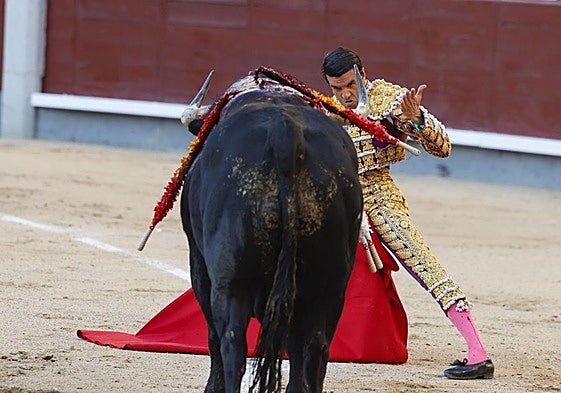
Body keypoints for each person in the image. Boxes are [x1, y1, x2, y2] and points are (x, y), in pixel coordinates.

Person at [321, 47, 494, 380]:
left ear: (362, 74)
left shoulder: (389, 99)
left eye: (348, 85)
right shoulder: (325, 107)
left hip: (377, 195)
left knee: (422, 263)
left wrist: (415, 120)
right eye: (336, 88)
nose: (344, 94)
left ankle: (477, 351)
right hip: (334, 196)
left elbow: (442, 146)